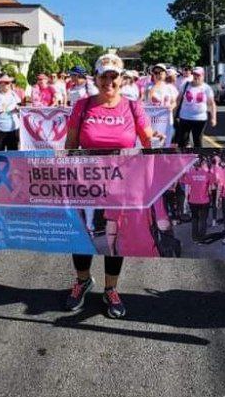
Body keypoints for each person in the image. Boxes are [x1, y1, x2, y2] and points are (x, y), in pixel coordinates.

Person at [64, 53, 163, 318]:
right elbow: (71, 145)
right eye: (103, 76)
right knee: (82, 235)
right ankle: (82, 281)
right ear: (95, 78)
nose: (109, 81)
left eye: (114, 76)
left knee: (115, 239)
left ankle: (111, 288)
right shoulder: (83, 106)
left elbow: (147, 139)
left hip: (121, 185)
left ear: (121, 79)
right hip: (86, 182)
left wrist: (157, 138)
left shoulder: (132, 107)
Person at [175, 67, 217, 149]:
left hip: (200, 119)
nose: (196, 77)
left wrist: (213, 118)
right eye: (194, 74)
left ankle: (198, 160)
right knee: (182, 141)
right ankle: (182, 160)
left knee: (197, 140)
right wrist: (174, 113)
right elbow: (178, 99)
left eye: (198, 75)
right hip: (185, 117)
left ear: (203, 76)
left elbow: (212, 104)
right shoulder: (185, 85)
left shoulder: (206, 88)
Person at [182, 156, 214, 242]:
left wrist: (186, 198)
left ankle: (194, 237)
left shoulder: (190, 174)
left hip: (193, 200)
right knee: (203, 219)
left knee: (194, 218)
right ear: (202, 164)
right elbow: (211, 188)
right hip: (204, 200)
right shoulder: (207, 173)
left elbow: (187, 187)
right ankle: (201, 237)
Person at [0, 73, 21, 151]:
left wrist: (17, 109)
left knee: (13, 153)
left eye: (9, 82)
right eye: (6, 82)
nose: (8, 84)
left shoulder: (13, 94)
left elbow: (19, 106)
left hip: (13, 129)